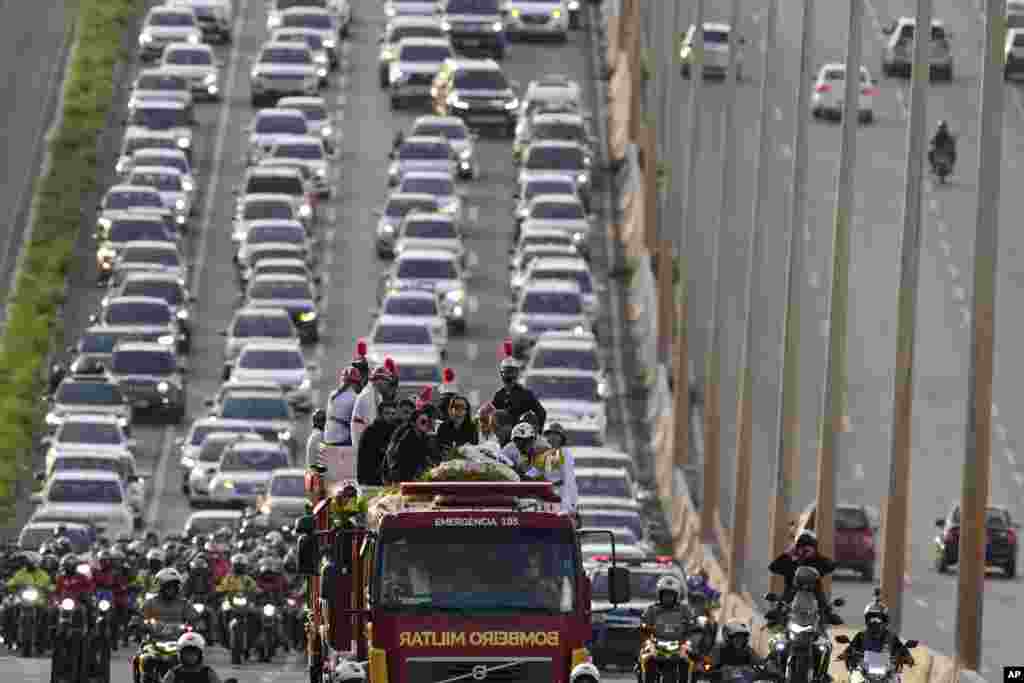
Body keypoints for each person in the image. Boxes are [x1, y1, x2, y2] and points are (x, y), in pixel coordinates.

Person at [767, 530, 842, 625]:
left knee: (824, 609)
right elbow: (773, 567)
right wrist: (787, 554)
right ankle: (778, 620)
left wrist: (815, 555)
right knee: (778, 617)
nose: (804, 550)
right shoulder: (791, 562)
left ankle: (826, 619)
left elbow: (830, 566)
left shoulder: (818, 561)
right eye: (801, 547)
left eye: (808, 547)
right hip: (791, 597)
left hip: (814, 597)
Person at [638, 576, 699, 683]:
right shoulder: (652, 609)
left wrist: (694, 627)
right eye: (665, 594)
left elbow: (693, 623)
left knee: (689, 660)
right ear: (659, 595)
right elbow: (644, 623)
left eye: (671, 595)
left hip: (679, 644)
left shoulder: (684, 610)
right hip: (656, 643)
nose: (668, 598)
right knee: (647, 658)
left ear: (676, 595)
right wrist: (644, 628)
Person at [837, 595, 915, 672]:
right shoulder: (861, 635)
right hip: (864, 671)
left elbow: (901, 648)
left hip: (887, 673)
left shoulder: (891, 637)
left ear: (885, 620)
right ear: (867, 620)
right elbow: (851, 647)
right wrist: (844, 654)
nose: (874, 622)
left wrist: (908, 657)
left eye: (878, 619)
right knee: (854, 677)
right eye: (871, 619)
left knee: (896, 678)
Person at [491, 342, 546, 431]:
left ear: (516, 374)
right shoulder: (499, 395)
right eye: (506, 372)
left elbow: (541, 413)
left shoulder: (526, 394)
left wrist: (537, 431)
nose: (509, 376)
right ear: (501, 375)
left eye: (511, 372)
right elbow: (492, 415)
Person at [351, 360, 399, 452]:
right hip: (363, 441)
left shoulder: (376, 394)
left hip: (367, 437)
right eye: (387, 382)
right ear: (379, 381)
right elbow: (373, 424)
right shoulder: (367, 396)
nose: (388, 385)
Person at [383, 408, 440, 483]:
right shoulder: (406, 436)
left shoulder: (423, 436)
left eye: (427, 421)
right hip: (398, 475)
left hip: (408, 474)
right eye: (423, 422)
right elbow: (398, 459)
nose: (426, 424)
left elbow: (426, 456)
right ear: (413, 423)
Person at [357, 400, 399, 485]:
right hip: (372, 478)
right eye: (387, 413)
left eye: (393, 413)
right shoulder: (371, 431)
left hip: (390, 478)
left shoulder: (396, 430)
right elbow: (365, 457)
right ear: (380, 415)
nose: (390, 416)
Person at [708, 621, 772, 672]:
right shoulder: (719, 648)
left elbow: (759, 662)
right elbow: (708, 665)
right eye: (737, 637)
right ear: (729, 638)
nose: (740, 640)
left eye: (742, 637)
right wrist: (713, 668)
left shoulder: (747, 650)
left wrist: (767, 665)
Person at [324, 367, 361, 446]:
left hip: (328, 437)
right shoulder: (355, 398)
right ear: (355, 382)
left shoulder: (333, 395)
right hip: (342, 439)